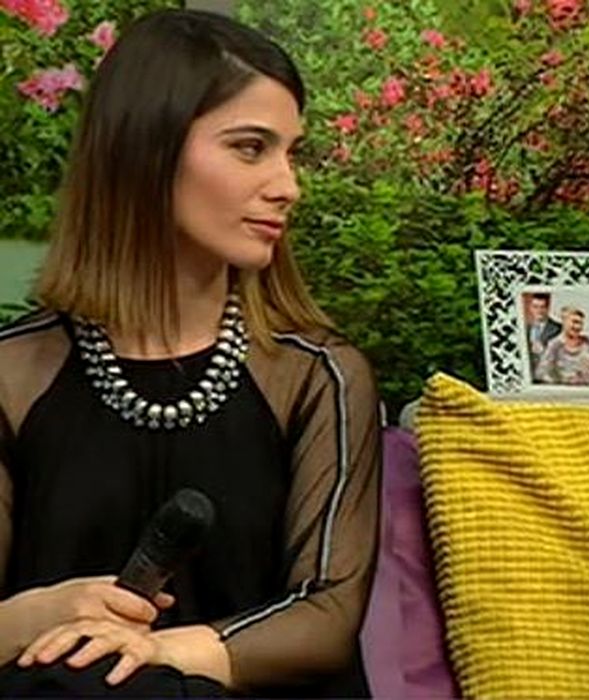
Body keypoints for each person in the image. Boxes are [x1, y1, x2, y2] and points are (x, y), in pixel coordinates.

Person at [0, 9, 380, 697]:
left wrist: (153, 651)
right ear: (146, 150)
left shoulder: (317, 376)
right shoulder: (11, 374)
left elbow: (326, 615)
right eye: (250, 148)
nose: (287, 186)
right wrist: (41, 614)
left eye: (292, 153)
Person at [535, 306, 589, 386]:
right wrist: (556, 386)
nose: (577, 327)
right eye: (574, 322)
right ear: (564, 322)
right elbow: (541, 373)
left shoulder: (588, 343)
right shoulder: (554, 345)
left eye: (580, 323)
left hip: (587, 391)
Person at [525, 292, 562, 380]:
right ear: (530, 308)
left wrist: (544, 350)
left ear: (548, 308)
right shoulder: (525, 328)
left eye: (542, 307)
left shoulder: (558, 328)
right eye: (535, 307)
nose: (539, 311)